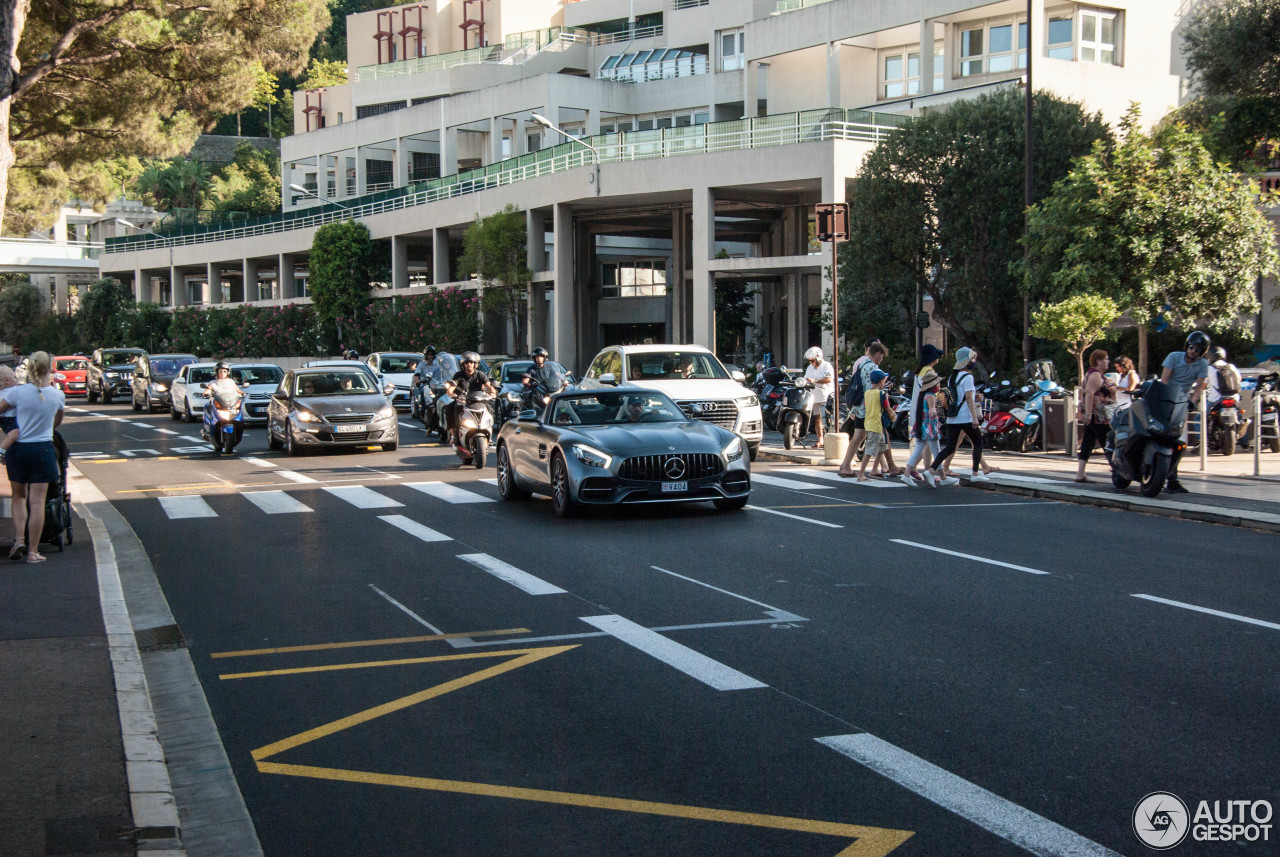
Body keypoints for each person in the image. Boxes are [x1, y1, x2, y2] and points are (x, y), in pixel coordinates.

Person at [0, 351, 65, 563]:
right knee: (38, 501)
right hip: (43, 450)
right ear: (50, 369)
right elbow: (57, 423)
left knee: (19, 497)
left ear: (29, 369)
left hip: (18, 451)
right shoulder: (57, 395)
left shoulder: (17, 393)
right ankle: (33, 551)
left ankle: (19, 539)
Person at [1159, 330, 1211, 493]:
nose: (1193, 351)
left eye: (1197, 350)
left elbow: (1199, 386)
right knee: (1161, 434)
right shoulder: (1174, 357)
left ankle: (1172, 478)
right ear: (1187, 346)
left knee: (1180, 441)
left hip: (1182, 403)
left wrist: (1193, 401)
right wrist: (1170, 397)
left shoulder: (1202, 364)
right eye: (1191, 347)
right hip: (1167, 399)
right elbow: (1165, 379)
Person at [932, 346, 988, 482]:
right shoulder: (968, 377)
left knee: (950, 446)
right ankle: (975, 473)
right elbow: (968, 397)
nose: (974, 360)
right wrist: (974, 418)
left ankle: (931, 470)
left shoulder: (953, 377)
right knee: (978, 443)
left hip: (952, 416)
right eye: (973, 358)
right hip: (965, 416)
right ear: (967, 360)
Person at [837, 340, 887, 477]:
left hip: (858, 406)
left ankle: (846, 464)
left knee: (858, 436)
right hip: (869, 408)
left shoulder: (861, 364)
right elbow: (875, 387)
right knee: (876, 439)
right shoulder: (873, 368)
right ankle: (872, 469)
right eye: (882, 356)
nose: (882, 359)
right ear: (878, 353)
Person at [903, 344, 944, 484]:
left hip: (917, 408)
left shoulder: (919, 371)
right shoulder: (929, 372)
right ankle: (928, 470)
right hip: (926, 411)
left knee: (923, 443)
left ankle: (912, 468)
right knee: (929, 443)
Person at [1074, 349, 1117, 483]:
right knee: (1108, 442)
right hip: (1098, 416)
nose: (1108, 361)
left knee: (1088, 442)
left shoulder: (1093, 374)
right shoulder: (1096, 375)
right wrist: (1088, 413)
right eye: (1106, 359)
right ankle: (1117, 472)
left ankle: (1080, 474)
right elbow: (1089, 393)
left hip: (1094, 416)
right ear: (1098, 361)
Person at [444, 351, 495, 446]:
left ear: (475, 364)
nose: (469, 365)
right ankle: (454, 435)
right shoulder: (458, 375)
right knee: (450, 409)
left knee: (489, 408)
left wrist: (492, 392)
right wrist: (451, 393)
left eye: (471, 363)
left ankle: (489, 434)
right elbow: (451, 387)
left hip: (478, 401)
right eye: (466, 363)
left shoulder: (480, 374)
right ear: (463, 364)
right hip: (462, 401)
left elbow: (489, 386)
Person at [855, 370, 890, 481]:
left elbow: (866, 405)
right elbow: (886, 407)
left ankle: (874, 469)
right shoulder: (881, 394)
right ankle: (861, 474)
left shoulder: (867, 393)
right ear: (881, 381)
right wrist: (892, 415)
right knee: (869, 450)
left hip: (869, 422)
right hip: (876, 424)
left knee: (883, 446)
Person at [802, 346, 833, 444]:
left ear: (818, 358)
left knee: (826, 419)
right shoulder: (810, 367)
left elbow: (828, 379)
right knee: (817, 418)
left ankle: (829, 438)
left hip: (826, 395)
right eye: (810, 361)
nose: (811, 363)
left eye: (812, 361)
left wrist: (815, 381)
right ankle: (820, 440)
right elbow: (806, 378)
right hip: (815, 396)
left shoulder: (826, 366)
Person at [0, 365, 20, 462]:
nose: (17, 380)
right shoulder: (11, 391)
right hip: (9, 418)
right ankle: (1, 451)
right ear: (7, 380)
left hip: (6, 419)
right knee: (14, 434)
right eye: (15, 377)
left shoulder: (3, 392)